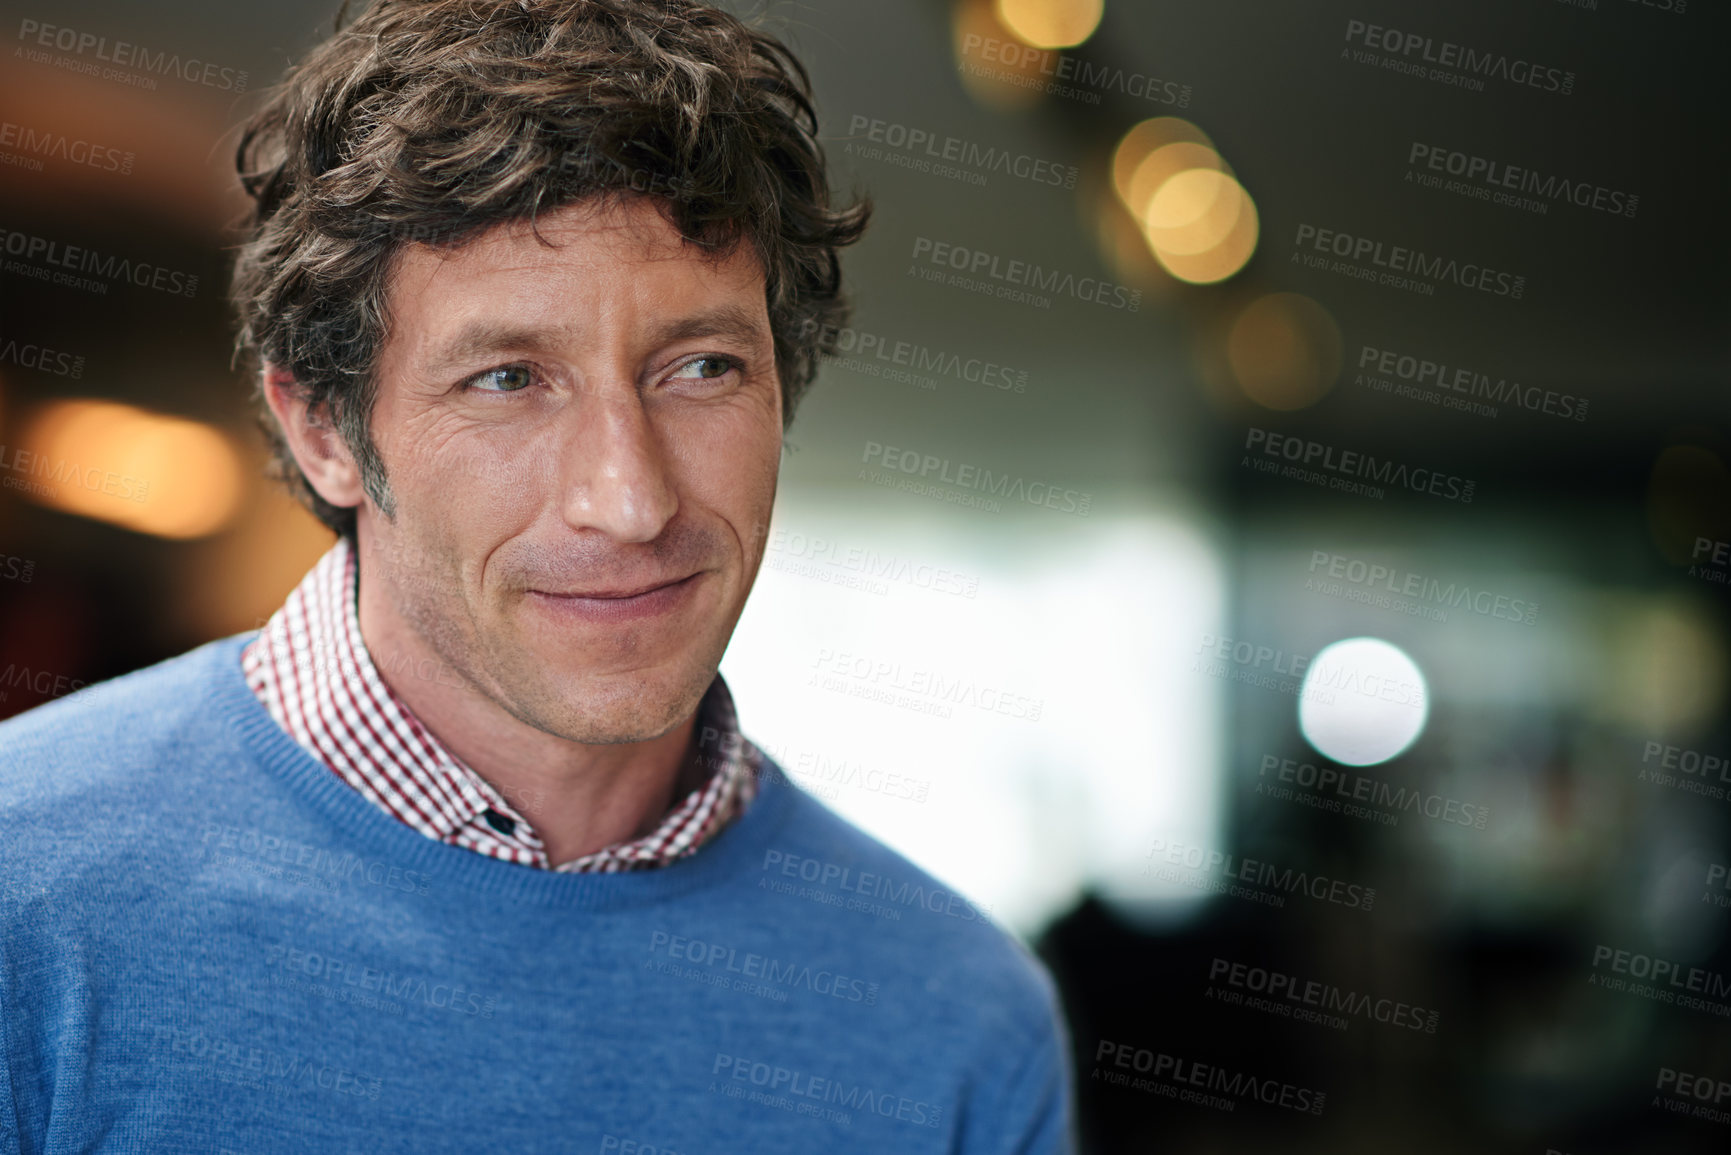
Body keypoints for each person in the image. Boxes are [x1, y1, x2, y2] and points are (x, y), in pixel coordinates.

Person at [0, 1, 1076, 1151]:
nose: (630, 500)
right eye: (509, 379)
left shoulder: (958, 1016)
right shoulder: (28, 899)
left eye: (703, 367)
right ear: (322, 427)